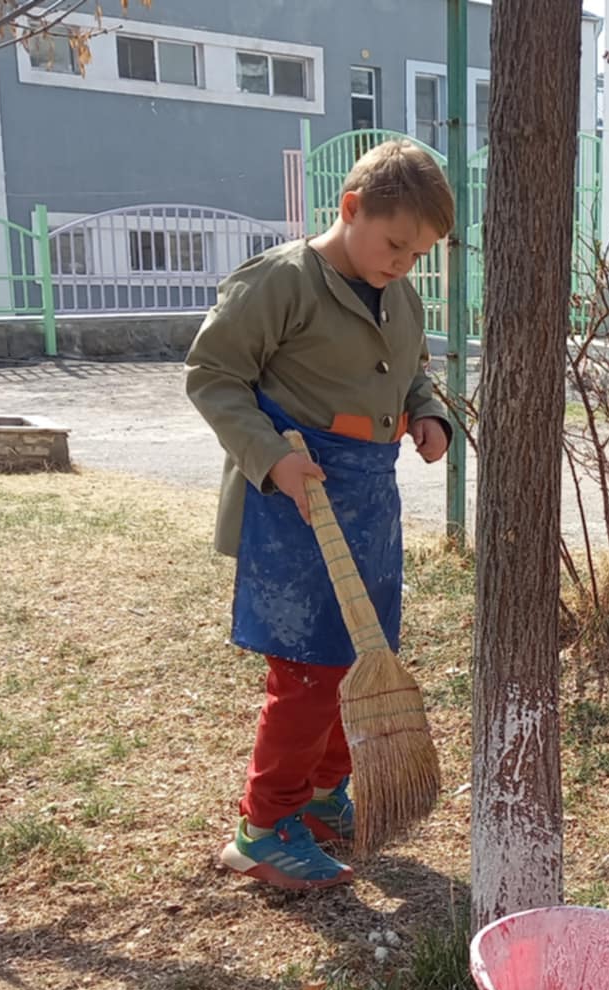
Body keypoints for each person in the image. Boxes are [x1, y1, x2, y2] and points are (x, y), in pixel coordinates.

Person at [186, 140, 455, 891]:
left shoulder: (399, 295)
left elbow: (414, 375)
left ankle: (323, 795)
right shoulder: (281, 281)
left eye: (420, 252)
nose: (403, 262)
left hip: (371, 499)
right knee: (308, 669)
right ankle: (264, 827)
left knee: (361, 659)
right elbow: (212, 375)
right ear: (350, 209)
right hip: (295, 500)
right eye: (394, 242)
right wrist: (271, 458)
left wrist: (429, 415)